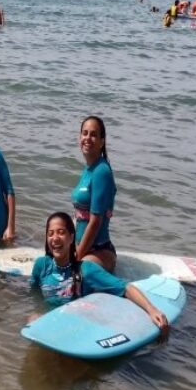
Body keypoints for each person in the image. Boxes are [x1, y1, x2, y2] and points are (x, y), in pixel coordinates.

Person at [29, 212, 169, 336]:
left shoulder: (86, 270)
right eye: (50, 233)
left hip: (75, 327)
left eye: (61, 232)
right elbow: (33, 293)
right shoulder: (41, 266)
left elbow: (125, 288)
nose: (55, 238)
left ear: (71, 237)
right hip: (49, 322)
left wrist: (151, 310)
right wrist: (36, 313)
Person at [71, 115, 117, 272]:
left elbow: (95, 221)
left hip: (99, 251)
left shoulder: (101, 171)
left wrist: (77, 256)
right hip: (82, 247)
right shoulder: (88, 168)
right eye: (85, 133)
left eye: (93, 134)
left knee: (80, 275)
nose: (87, 138)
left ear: (102, 141)